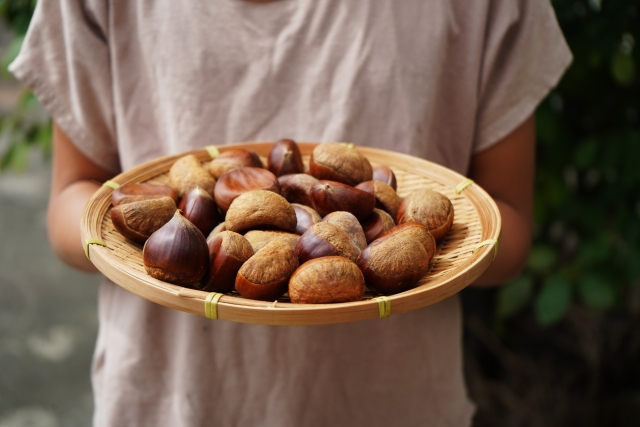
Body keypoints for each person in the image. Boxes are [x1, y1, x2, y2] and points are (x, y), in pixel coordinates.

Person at [10, 0, 571, 425]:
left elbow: (508, 225)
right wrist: (121, 237)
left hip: (392, 403)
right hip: (168, 402)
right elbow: (73, 199)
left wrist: (435, 250)